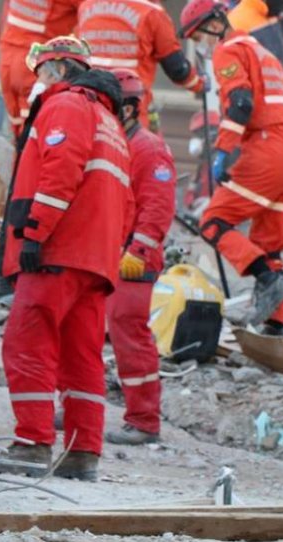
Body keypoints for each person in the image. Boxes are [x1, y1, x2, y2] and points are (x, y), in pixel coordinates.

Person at [0, 38, 131, 481]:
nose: (38, 82)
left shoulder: (67, 105)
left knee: (27, 342)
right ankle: (82, 453)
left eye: (41, 73)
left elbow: (59, 170)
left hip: (57, 251)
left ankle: (32, 444)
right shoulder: (109, 120)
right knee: (81, 357)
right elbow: (122, 201)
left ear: (58, 69)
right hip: (94, 260)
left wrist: (34, 231)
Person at [181, 0, 283, 333]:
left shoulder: (229, 49)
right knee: (270, 245)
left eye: (199, 36)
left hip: (268, 148)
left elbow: (240, 103)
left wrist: (222, 152)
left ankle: (268, 278)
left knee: (212, 222)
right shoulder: (263, 52)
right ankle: (275, 328)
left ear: (214, 23)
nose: (202, 45)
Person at [102, 68, 174, 447]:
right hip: (107, 255)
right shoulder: (117, 142)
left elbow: (158, 207)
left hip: (133, 259)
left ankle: (144, 421)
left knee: (130, 335)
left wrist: (139, 251)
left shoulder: (148, 148)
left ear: (128, 108)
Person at [75, 0, 203, 122]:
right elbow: (176, 68)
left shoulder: (87, 6)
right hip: (129, 107)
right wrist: (199, 84)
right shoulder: (151, 12)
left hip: (87, 103)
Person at [0, 0, 81, 135]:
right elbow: (87, 24)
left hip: (8, 57)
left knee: (19, 135)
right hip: (37, 66)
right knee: (33, 134)